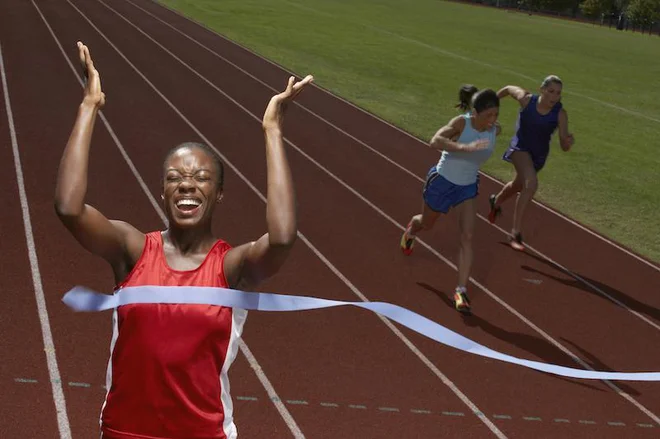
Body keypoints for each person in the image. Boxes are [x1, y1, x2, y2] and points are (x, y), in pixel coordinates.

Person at [54, 41, 313, 439]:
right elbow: (69, 210)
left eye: (201, 177)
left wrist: (273, 130)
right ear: (163, 190)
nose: (187, 184)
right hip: (125, 432)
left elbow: (281, 239)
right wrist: (89, 106)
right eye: (175, 177)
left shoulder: (231, 269)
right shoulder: (133, 250)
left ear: (220, 192)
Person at [400, 85, 501, 314]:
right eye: (488, 115)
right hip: (442, 182)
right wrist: (464, 147)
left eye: (496, 115)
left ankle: (461, 290)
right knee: (427, 223)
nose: (492, 120)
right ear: (475, 113)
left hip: (467, 188)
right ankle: (411, 231)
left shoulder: (495, 130)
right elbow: (435, 141)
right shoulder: (461, 123)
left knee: (467, 236)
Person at [487, 75, 574, 251]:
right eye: (551, 91)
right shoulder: (527, 100)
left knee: (519, 184)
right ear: (542, 90)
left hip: (539, 156)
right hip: (520, 148)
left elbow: (564, 144)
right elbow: (508, 88)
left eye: (558, 93)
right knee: (531, 183)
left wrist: (567, 143)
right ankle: (515, 232)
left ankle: (496, 201)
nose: (554, 96)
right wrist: (491, 110)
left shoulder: (560, 114)